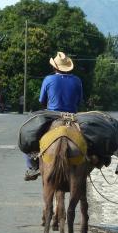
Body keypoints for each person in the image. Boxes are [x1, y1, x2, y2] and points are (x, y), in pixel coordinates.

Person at [24, 51, 83, 180]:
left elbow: (42, 101)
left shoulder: (48, 79)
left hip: (52, 115)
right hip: (72, 116)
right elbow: (79, 102)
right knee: (88, 139)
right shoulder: (77, 80)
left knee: (30, 135)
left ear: (54, 67)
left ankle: (33, 166)